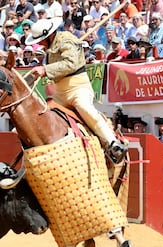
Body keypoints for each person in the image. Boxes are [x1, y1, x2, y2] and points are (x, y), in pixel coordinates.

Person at [26, 18, 128, 164]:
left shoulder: (67, 40)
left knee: (85, 108)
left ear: (49, 36)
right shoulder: (51, 47)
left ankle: (113, 143)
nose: (39, 44)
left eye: (41, 40)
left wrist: (45, 69)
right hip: (60, 93)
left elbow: (71, 63)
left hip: (77, 88)